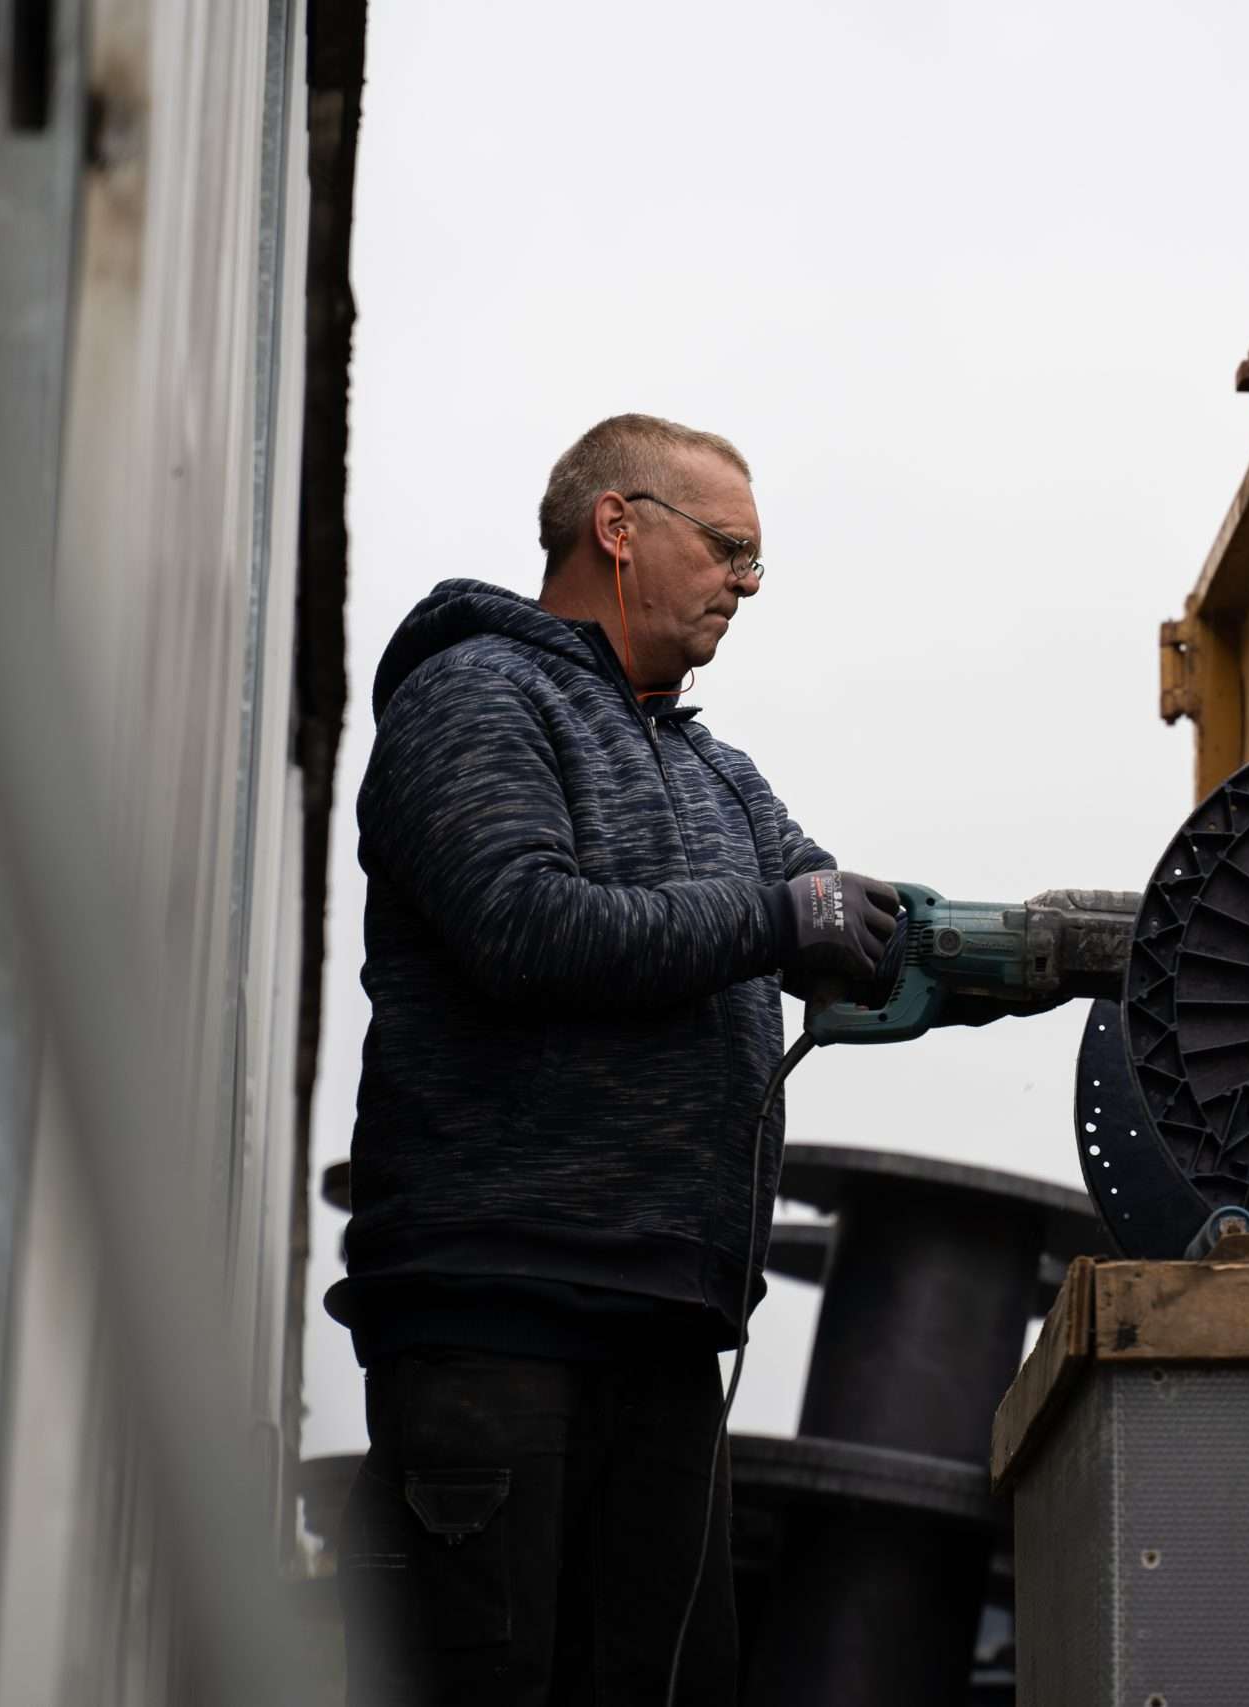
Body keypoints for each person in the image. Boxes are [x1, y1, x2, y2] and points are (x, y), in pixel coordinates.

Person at [328, 413, 901, 1703]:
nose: (746, 587)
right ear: (618, 525)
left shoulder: (718, 771)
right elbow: (524, 925)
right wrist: (777, 920)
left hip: (664, 1327)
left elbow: (837, 916)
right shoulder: (474, 693)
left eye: (757, 563)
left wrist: (1048, 952)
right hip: (494, 1321)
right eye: (730, 550)